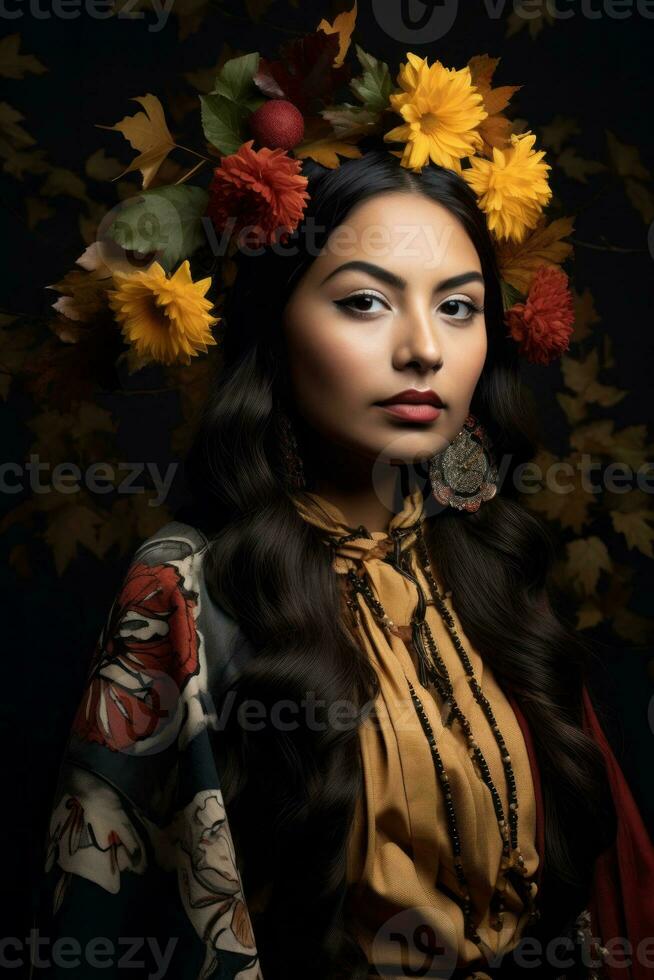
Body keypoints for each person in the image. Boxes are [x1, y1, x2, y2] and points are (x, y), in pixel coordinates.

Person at [37, 146, 654, 980]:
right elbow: (99, 916)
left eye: (460, 308)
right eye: (365, 302)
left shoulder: (487, 566)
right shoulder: (190, 590)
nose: (424, 350)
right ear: (277, 325)